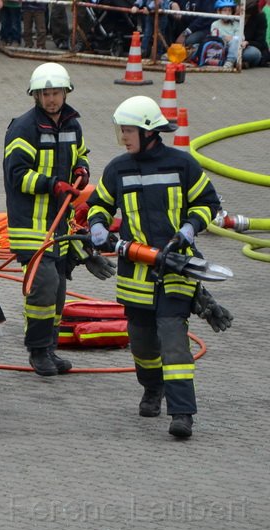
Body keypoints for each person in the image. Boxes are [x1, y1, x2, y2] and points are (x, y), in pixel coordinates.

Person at [86, 96, 220, 439]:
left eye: (128, 131)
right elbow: (98, 204)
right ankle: (152, 387)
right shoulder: (118, 168)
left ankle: (182, 413)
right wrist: (98, 224)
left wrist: (190, 229)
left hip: (176, 270)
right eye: (121, 131)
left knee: (174, 341)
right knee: (143, 343)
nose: (123, 137)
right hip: (136, 275)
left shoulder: (182, 164)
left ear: (148, 131)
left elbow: (208, 203)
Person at [2, 62, 91, 376]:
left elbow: (80, 154)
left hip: (60, 224)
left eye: (56, 92)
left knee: (58, 290)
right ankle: (37, 351)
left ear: (65, 92)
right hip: (31, 225)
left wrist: (81, 169)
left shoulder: (71, 124)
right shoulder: (24, 128)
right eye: (45, 94)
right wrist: (52, 184)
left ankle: (49, 348)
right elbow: (17, 176)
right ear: (35, 96)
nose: (52, 99)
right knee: (43, 286)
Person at [209, 0, 252, 68]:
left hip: (235, 48)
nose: (227, 13)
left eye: (229, 10)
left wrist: (232, 38)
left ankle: (230, 61)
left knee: (253, 53)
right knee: (197, 46)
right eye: (224, 10)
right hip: (221, 48)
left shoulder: (236, 24)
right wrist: (226, 38)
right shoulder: (215, 24)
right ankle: (232, 62)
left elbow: (241, 37)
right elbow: (215, 37)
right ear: (219, 12)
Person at [242, 0, 269, 66]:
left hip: (249, 47)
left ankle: (246, 63)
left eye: (247, 16)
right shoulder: (233, 14)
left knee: (252, 53)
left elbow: (261, 43)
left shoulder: (260, 18)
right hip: (232, 45)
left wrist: (247, 42)